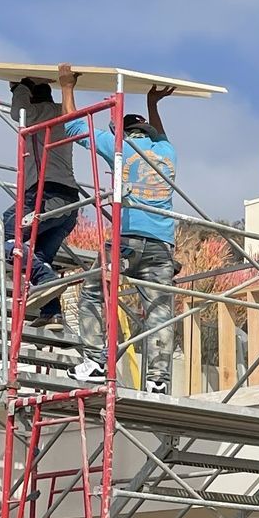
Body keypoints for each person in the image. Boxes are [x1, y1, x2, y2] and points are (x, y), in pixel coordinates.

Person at [86, 83, 179, 392]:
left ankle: (96, 362)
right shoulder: (168, 152)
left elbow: (73, 122)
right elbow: (161, 135)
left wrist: (66, 85)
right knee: (160, 313)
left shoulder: (118, 147)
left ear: (122, 133)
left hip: (125, 240)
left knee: (93, 292)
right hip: (161, 247)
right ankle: (157, 382)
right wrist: (154, 103)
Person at [0, 76, 87, 322]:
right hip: (69, 203)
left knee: (7, 239)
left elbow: (19, 112)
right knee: (40, 258)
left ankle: (47, 281)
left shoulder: (37, 112)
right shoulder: (61, 112)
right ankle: (52, 313)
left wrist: (21, 87)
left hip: (46, 196)